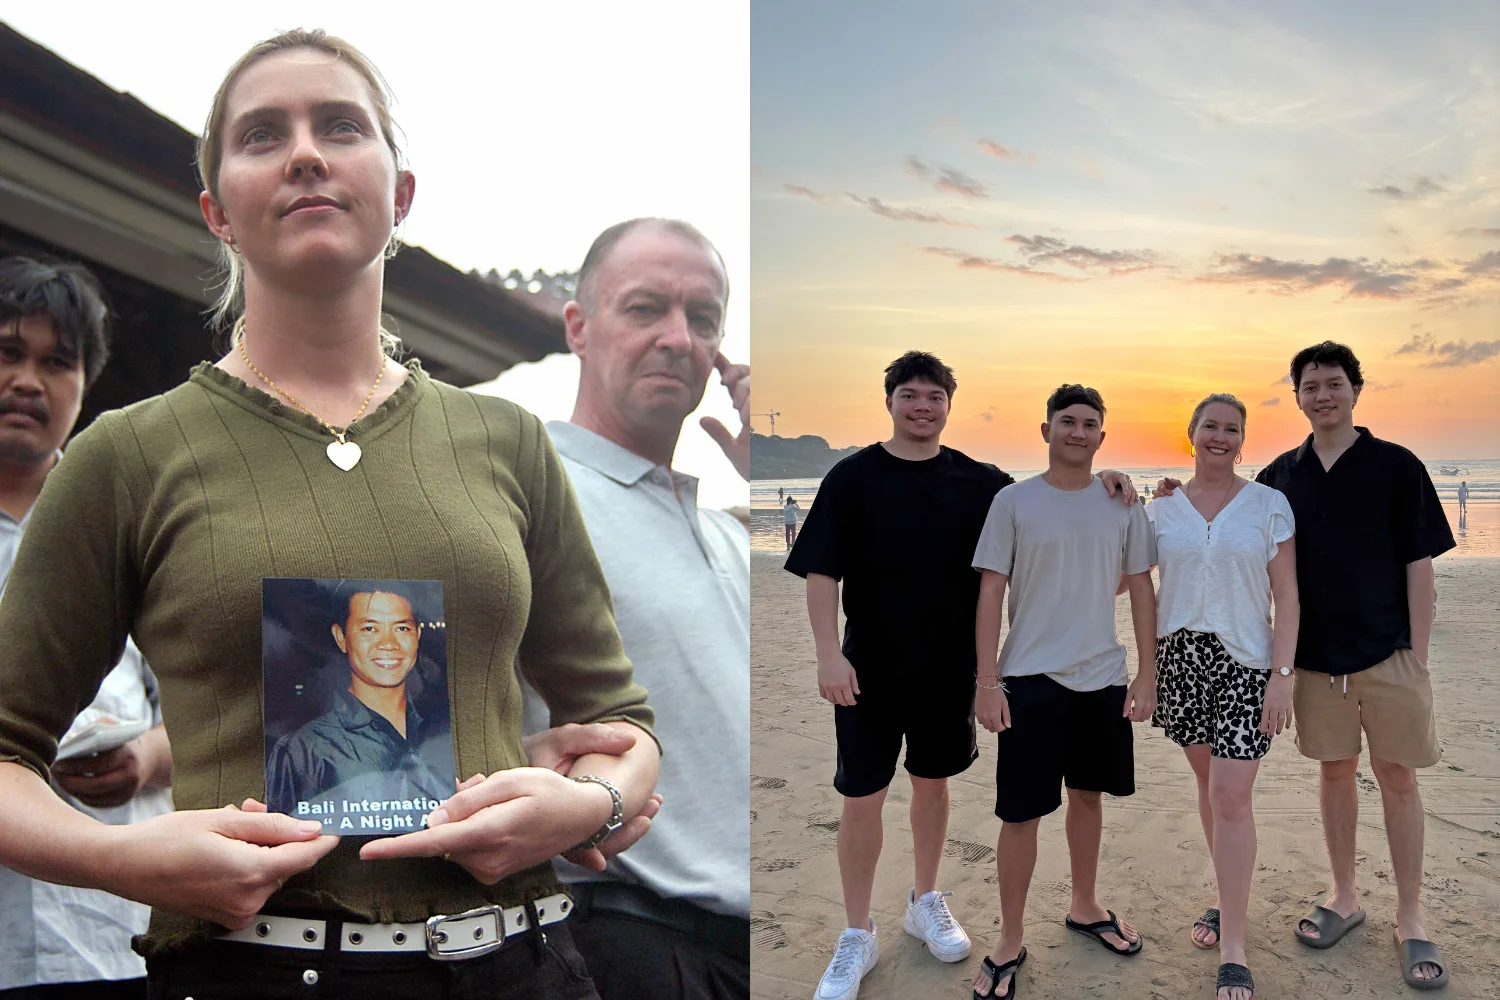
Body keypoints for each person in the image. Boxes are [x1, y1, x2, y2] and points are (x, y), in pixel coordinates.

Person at [0, 31, 659, 1000]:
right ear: (217, 210)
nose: (306, 152)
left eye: (342, 126)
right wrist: (120, 858)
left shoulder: (507, 440)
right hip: (249, 970)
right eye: (263, 134)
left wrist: (593, 802)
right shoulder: (126, 456)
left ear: (401, 194)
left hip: (521, 962)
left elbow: (620, 724)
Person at [786, 355, 1137, 1000]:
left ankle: (924, 900)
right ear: (890, 402)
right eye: (909, 395)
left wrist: (1111, 479)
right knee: (862, 795)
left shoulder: (981, 483)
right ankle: (857, 932)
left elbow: (1056, 490)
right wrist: (827, 653)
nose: (922, 406)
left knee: (932, 786)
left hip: (949, 670)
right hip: (867, 668)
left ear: (949, 405)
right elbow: (821, 571)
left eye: (934, 396)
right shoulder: (852, 477)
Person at [1162, 342, 1455, 990]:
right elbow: (1223, 511)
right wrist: (1163, 494)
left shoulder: (1396, 465)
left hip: (1390, 653)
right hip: (1316, 661)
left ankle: (1410, 917)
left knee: (1398, 777)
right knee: (1336, 772)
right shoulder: (1280, 477)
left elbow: (1420, 564)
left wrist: (1418, 655)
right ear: (1296, 397)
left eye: (1334, 384)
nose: (1323, 395)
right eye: (1311, 386)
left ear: (1355, 390)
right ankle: (1344, 896)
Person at [517, 217, 751, 1000]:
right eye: (646, 308)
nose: (678, 338)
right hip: (633, 940)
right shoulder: (525, 488)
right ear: (579, 327)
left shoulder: (727, 532)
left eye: (703, 318)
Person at [0, 257, 174, 999]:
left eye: (56, 362)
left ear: (85, 381)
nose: (27, 381)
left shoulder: (133, 521)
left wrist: (146, 759)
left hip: (115, 938)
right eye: (8, 352)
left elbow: (216, 704)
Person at [970, 384, 1156, 1000]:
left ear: (1102, 435)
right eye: (1067, 421)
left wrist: (1147, 672)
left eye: (1089, 423)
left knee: (1088, 797)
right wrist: (987, 681)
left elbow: (1140, 586)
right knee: (1020, 815)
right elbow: (991, 592)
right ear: (1046, 429)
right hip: (1028, 679)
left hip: (1102, 677)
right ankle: (1009, 938)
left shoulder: (1122, 502)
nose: (1078, 431)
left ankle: (1085, 906)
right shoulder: (1013, 502)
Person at [1145, 393, 1299, 1000]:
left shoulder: (1268, 504)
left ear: (1241, 440)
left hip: (1247, 662)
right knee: (1211, 788)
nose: (1220, 436)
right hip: (1181, 658)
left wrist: (1282, 674)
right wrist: (1110, 489)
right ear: (1191, 434)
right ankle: (1225, 897)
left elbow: (1287, 595)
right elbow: (1130, 582)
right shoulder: (1161, 509)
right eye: (1210, 426)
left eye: (1232, 429)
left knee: (1232, 796)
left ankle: (1234, 945)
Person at [266, 581, 455, 810]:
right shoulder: (307, 748)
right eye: (369, 629)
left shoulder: (441, 729)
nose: (388, 644)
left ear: (418, 635)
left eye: (402, 628)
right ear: (341, 638)